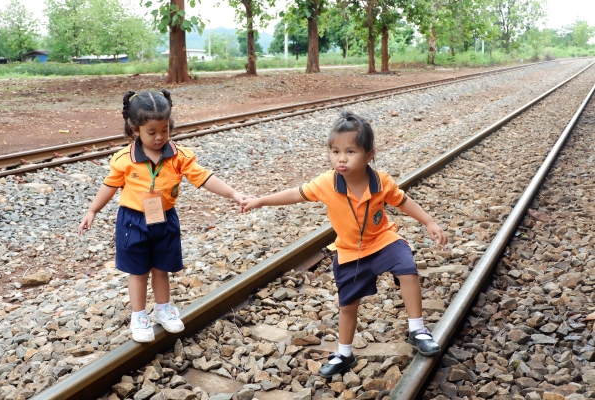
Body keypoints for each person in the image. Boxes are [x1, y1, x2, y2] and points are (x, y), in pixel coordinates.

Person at [242, 111, 448, 377]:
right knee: (348, 305)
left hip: (383, 240)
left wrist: (429, 222)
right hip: (350, 251)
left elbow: (403, 201)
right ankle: (344, 354)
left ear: (369, 155)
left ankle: (417, 330)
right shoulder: (326, 183)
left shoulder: (381, 181)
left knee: (407, 268)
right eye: (335, 151)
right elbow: (296, 194)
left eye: (350, 151)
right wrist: (260, 201)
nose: (341, 158)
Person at [78, 90, 247, 343]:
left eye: (164, 130)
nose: (159, 137)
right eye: (152, 132)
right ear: (135, 130)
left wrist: (233, 193)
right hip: (133, 221)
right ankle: (138, 316)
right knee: (138, 271)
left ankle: (162, 308)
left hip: (165, 218)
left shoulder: (179, 156)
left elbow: (203, 177)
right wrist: (93, 210)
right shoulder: (124, 159)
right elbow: (109, 186)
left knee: (161, 267)